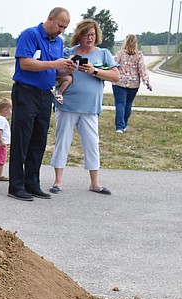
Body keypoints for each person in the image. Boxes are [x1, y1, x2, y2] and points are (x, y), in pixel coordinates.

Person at [8, 7, 76, 202]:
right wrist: (55, 64)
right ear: (50, 19)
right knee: (22, 139)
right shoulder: (30, 35)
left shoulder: (59, 42)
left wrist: (67, 69)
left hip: (45, 94)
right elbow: (26, 64)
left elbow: (54, 72)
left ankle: (32, 182)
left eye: (65, 27)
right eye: (60, 25)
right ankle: (16, 185)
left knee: (38, 141)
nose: (61, 30)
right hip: (26, 92)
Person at [49, 19, 120, 196]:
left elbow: (115, 76)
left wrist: (94, 71)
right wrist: (68, 69)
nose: (89, 38)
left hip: (90, 108)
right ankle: (57, 182)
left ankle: (95, 183)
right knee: (62, 142)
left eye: (92, 35)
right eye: (86, 34)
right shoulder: (68, 52)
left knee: (92, 144)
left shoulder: (103, 54)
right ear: (78, 35)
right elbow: (56, 74)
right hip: (67, 105)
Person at [112, 34, 152, 133]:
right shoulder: (139, 55)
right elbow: (142, 69)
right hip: (134, 83)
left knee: (120, 104)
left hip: (119, 82)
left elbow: (113, 65)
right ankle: (124, 124)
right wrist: (147, 82)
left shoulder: (120, 53)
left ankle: (119, 127)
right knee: (128, 104)